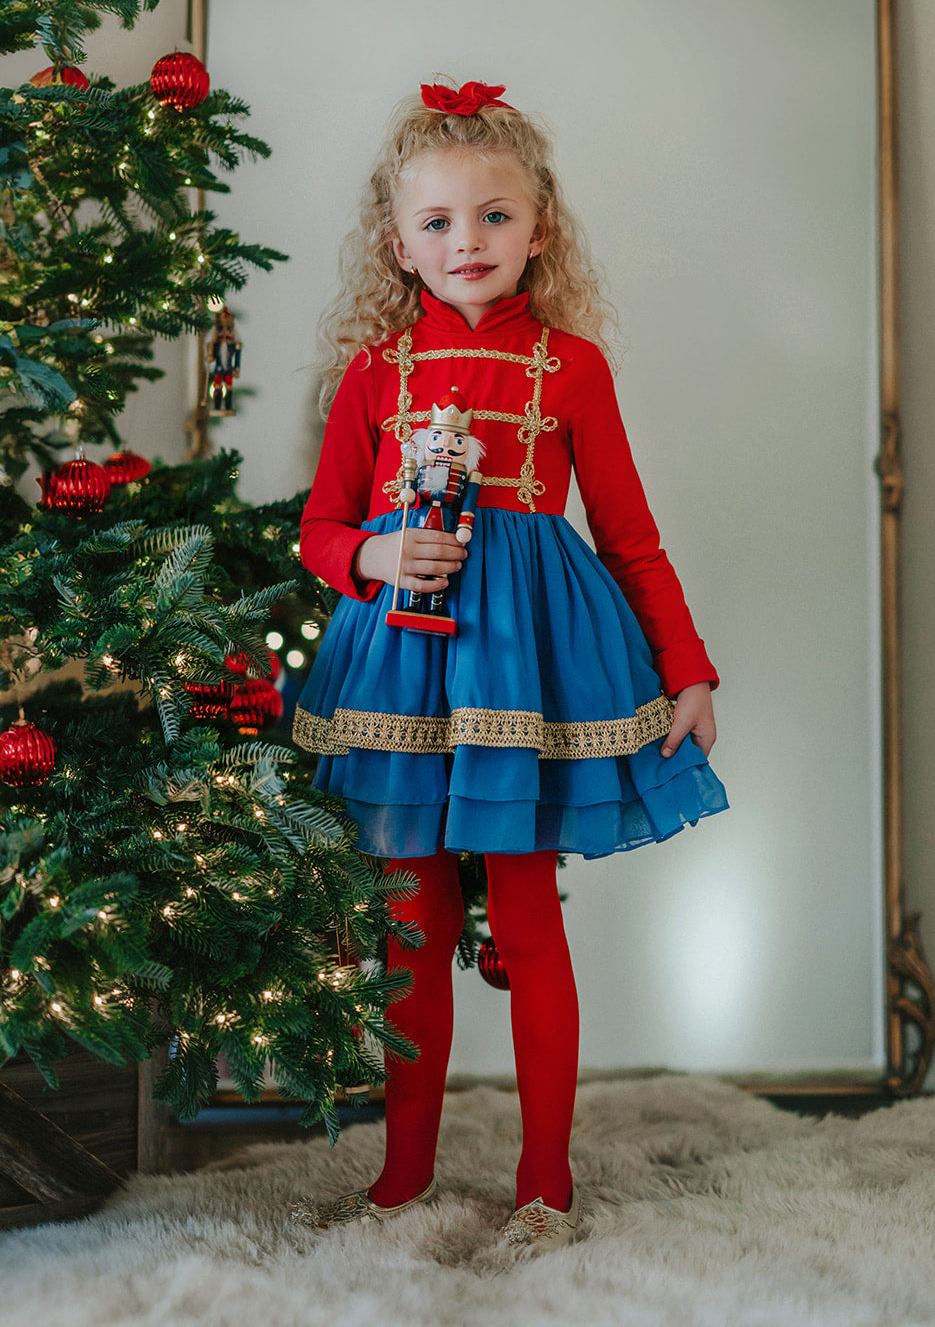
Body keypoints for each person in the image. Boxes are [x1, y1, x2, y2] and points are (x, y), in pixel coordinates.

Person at [292, 80, 728, 1250]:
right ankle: (404, 1171)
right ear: (397, 244)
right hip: (397, 663)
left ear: (539, 228)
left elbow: (630, 537)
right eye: (435, 223)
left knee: (526, 909)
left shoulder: (571, 370)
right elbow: (320, 530)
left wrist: (687, 670)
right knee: (410, 921)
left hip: (528, 669)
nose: (465, 242)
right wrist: (377, 548)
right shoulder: (375, 374)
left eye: (492, 216)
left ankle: (544, 1179)